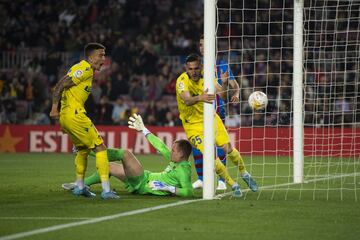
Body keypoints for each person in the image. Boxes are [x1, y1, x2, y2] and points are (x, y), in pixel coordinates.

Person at [175, 53, 258, 197]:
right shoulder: (182, 81)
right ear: (186, 69)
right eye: (190, 69)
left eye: (196, 68)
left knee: (228, 148)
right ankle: (232, 183)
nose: (193, 72)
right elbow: (187, 100)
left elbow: (223, 96)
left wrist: (225, 83)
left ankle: (245, 173)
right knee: (210, 155)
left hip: (211, 118)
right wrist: (201, 97)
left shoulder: (207, 77)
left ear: (200, 67)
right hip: (193, 126)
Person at [62, 114, 194, 197]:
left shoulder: (183, 170)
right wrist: (144, 130)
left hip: (143, 182)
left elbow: (189, 192)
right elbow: (161, 146)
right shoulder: (176, 160)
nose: (170, 151)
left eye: (174, 150)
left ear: (182, 154)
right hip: (145, 179)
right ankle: (79, 185)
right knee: (109, 166)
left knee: (125, 153)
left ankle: (88, 151)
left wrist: (169, 188)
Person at [49, 43, 118, 199]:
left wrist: (62, 118)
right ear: (91, 57)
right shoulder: (85, 68)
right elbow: (60, 84)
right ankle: (107, 191)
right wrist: (54, 108)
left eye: (104, 55)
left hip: (68, 116)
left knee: (83, 149)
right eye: (101, 55)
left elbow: (66, 88)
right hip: (75, 115)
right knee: (100, 148)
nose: (104, 59)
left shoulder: (82, 69)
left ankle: (80, 187)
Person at [192, 35, 240, 190]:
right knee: (196, 143)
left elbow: (234, 86)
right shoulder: (196, 67)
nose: (202, 47)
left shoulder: (221, 65)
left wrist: (236, 93)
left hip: (218, 109)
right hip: (200, 109)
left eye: (205, 45)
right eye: (200, 44)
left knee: (219, 144)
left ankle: (221, 180)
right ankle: (201, 178)